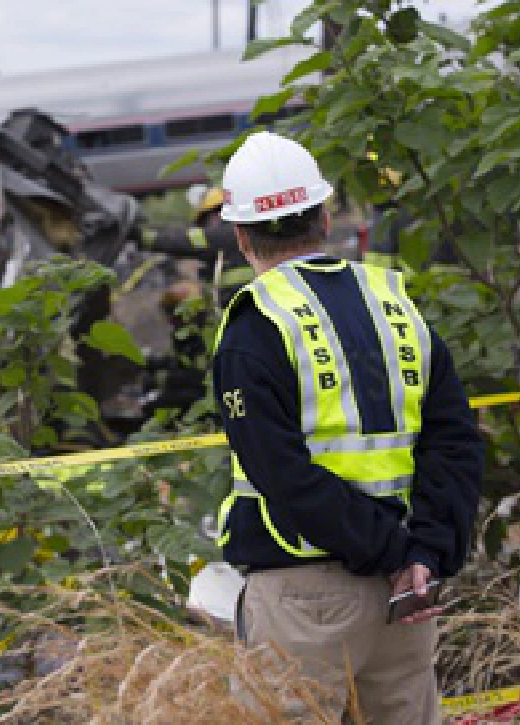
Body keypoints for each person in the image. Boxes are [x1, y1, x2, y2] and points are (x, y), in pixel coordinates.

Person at [210, 132, 483, 723]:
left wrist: (391, 554)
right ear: (325, 216)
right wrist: (424, 555)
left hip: (304, 595)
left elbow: (283, 476)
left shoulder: (256, 326)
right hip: (406, 594)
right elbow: (455, 440)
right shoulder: (394, 304)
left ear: (239, 236)